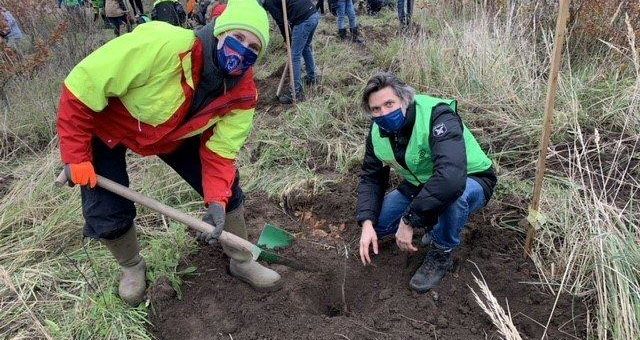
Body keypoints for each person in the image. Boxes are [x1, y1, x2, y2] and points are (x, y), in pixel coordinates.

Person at [56, 0, 280, 307]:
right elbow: (81, 87)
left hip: (172, 132)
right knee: (106, 210)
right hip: (108, 124)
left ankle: (241, 259)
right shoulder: (163, 45)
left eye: (253, 46)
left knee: (229, 191)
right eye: (238, 38)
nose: (244, 49)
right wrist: (76, 156)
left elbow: (222, 153)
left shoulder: (242, 93)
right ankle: (132, 268)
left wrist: (215, 200)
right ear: (219, 32)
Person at [356, 72, 497, 293]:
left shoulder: (438, 115)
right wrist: (366, 223)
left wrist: (409, 220)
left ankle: (441, 253)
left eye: (389, 104)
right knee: (379, 225)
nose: (384, 113)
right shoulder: (377, 131)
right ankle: (433, 220)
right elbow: (371, 177)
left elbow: (450, 179)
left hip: (470, 178)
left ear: (404, 99)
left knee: (454, 199)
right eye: (376, 109)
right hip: (421, 183)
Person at [262, 0, 320, 104]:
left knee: (295, 56)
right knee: (306, 47)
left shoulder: (268, 2)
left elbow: (281, 21)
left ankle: (296, 92)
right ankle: (312, 78)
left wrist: (287, 38)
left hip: (303, 19)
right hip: (313, 14)